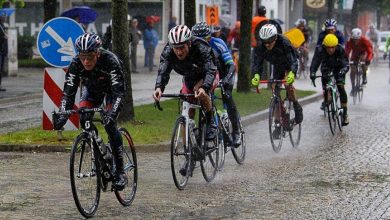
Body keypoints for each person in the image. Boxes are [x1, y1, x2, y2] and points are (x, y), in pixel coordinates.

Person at [53, 33, 128, 190]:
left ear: (98, 53)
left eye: (90, 57)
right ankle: (99, 150)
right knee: (84, 118)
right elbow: (68, 92)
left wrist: (111, 115)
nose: (86, 61)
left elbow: (119, 93)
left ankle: (120, 172)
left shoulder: (110, 61)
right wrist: (62, 114)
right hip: (91, 90)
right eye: (82, 57)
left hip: (112, 93)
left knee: (109, 124)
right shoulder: (76, 64)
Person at [152, 25, 217, 160]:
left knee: (200, 92)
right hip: (189, 77)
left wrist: (204, 87)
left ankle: (211, 123)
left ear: (189, 43)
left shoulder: (201, 47)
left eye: (182, 48)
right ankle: (189, 150)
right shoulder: (169, 51)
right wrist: (159, 88)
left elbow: (211, 70)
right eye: (176, 48)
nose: (179, 52)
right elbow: (163, 70)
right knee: (187, 110)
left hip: (208, 74)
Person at [191, 22, 241, 146]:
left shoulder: (218, 43)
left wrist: (227, 79)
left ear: (210, 37)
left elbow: (230, 64)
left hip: (224, 72)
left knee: (227, 96)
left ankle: (236, 131)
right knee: (205, 98)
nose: (201, 43)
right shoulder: (192, 47)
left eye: (205, 40)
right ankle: (211, 126)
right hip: (207, 74)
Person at [251, 24, 303, 139]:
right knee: (274, 89)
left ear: (275, 38)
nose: (267, 44)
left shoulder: (284, 43)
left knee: (287, 84)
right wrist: (256, 75)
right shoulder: (261, 47)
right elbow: (257, 63)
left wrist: (292, 73)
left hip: (290, 63)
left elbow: (293, 61)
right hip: (278, 65)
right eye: (265, 42)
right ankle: (278, 124)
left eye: (269, 41)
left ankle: (296, 105)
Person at [310, 34, 350, 126]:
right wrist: (312, 72)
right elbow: (315, 62)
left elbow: (345, 63)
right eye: (328, 48)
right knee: (326, 86)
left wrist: (343, 70)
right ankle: (327, 100)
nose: (331, 50)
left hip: (339, 69)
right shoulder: (320, 50)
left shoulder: (340, 49)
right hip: (326, 69)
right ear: (325, 46)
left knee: (340, 87)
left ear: (336, 46)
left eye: (333, 47)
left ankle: (345, 113)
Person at [345, 28, 373, 92]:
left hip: (363, 53)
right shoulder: (350, 41)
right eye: (354, 39)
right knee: (352, 70)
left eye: (357, 39)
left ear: (360, 37)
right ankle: (353, 87)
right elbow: (347, 51)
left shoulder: (365, 40)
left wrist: (368, 59)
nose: (355, 41)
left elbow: (370, 52)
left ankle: (364, 76)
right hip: (355, 54)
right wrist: (346, 59)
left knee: (363, 60)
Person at [0, 15, 7, 91]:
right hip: (0, 50)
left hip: (3, 51)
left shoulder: (3, 26)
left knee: (1, 70)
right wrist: (3, 37)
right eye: (2, 17)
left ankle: (0, 85)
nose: (4, 18)